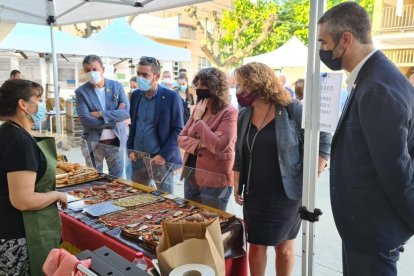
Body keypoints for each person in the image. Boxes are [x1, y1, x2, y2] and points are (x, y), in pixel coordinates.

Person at [318, 2, 414, 275]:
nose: (322, 50)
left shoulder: (378, 87)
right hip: (367, 229)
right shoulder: (375, 77)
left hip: (374, 232)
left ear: (346, 39)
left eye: (324, 42)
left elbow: (396, 169)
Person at [233, 62, 331, 276]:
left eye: (241, 85)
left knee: (284, 248)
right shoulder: (244, 115)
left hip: (286, 194)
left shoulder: (292, 110)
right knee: (256, 245)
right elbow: (239, 152)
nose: (237, 90)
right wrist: (236, 182)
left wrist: (313, 175)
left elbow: (323, 140)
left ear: (257, 85)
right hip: (255, 194)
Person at [0, 79, 67, 275]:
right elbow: (23, 200)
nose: (41, 105)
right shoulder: (18, 140)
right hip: (17, 236)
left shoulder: (8, 131)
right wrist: (57, 195)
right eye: (38, 99)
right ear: (23, 104)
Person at [178, 68, 238, 210]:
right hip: (190, 175)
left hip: (215, 180)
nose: (197, 88)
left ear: (214, 87)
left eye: (202, 85)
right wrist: (200, 144)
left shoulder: (229, 112)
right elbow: (180, 139)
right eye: (196, 84)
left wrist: (198, 121)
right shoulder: (199, 109)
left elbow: (218, 145)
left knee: (212, 224)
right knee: (190, 221)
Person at [128, 56, 183, 191]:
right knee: (139, 197)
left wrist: (164, 155)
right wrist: (130, 148)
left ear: (156, 76)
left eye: (145, 75)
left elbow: (178, 129)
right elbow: (133, 125)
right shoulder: (135, 96)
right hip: (138, 158)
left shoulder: (171, 97)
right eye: (138, 74)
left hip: (160, 159)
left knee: (165, 202)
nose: (140, 78)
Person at [75, 54, 130, 177]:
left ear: (103, 70)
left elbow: (126, 113)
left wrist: (101, 114)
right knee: (94, 177)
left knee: (117, 179)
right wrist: (114, 119)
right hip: (93, 142)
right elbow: (85, 120)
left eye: (95, 69)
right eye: (87, 70)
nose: (91, 73)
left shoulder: (116, 86)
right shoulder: (81, 92)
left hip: (115, 141)